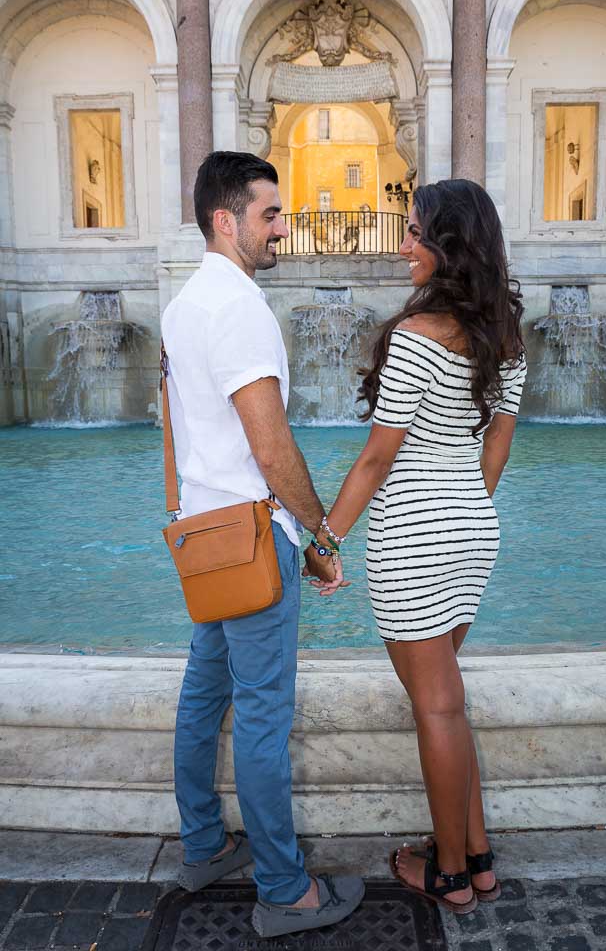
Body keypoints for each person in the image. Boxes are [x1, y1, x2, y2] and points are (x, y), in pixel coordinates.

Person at [306, 179, 527, 915]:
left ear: (449, 244)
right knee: (447, 704)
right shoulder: (505, 332)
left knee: (434, 708)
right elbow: (496, 447)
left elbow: (375, 459)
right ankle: (477, 857)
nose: (402, 246)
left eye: (413, 233)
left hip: (414, 535)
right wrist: (462, 511)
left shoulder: (415, 338)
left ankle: (449, 875)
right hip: (472, 526)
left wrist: (325, 539)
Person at [161, 151, 364, 939]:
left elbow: (177, 429)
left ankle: (204, 847)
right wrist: (318, 534)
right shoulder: (240, 306)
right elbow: (272, 448)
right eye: (269, 214)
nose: (282, 227)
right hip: (251, 533)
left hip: (202, 531)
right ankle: (284, 891)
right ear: (226, 219)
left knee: (202, 696)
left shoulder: (185, 303)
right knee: (261, 716)